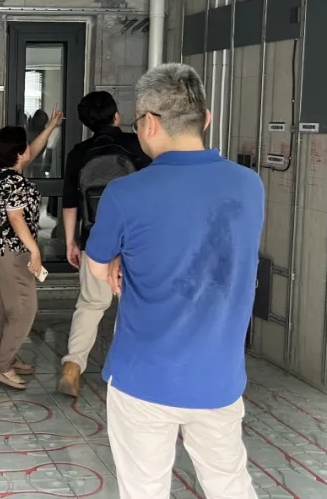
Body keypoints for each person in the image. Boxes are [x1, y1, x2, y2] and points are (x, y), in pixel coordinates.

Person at [84, 64, 262, 498]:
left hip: (143, 378)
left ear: (148, 123)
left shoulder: (125, 193)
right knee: (229, 484)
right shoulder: (249, 185)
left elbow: (97, 267)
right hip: (218, 377)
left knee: (144, 489)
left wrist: (119, 258)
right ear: (206, 119)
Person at [57, 91, 150, 397]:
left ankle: (72, 366)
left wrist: (71, 242)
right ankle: (126, 373)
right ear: (117, 116)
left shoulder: (79, 153)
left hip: (95, 239)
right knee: (134, 305)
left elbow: (70, 203)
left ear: (86, 123)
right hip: (137, 241)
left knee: (90, 304)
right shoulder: (136, 145)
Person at [0, 111, 63, 389]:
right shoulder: (17, 182)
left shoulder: (0, 174)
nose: (29, 148)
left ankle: (8, 356)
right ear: (18, 153)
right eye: (25, 146)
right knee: (25, 310)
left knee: (4, 310)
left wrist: (51, 126)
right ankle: (1, 365)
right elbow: (16, 218)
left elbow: (30, 153)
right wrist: (35, 250)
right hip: (14, 252)